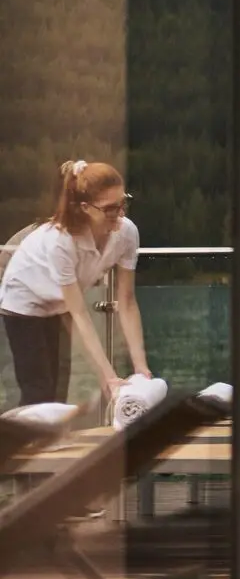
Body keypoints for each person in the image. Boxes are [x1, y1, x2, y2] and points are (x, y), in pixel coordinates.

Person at [1, 160, 150, 409]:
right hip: (23, 300)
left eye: (123, 203)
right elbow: (79, 314)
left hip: (58, 302)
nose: (120, 214)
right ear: (85, 208)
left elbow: (126, 300)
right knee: (38, 387)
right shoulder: (62, 241)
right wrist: (109, 378)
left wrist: (141, 367)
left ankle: (46, 438)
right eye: (110, 209)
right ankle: (16, 440)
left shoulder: (126, 233)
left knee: (59, 386)